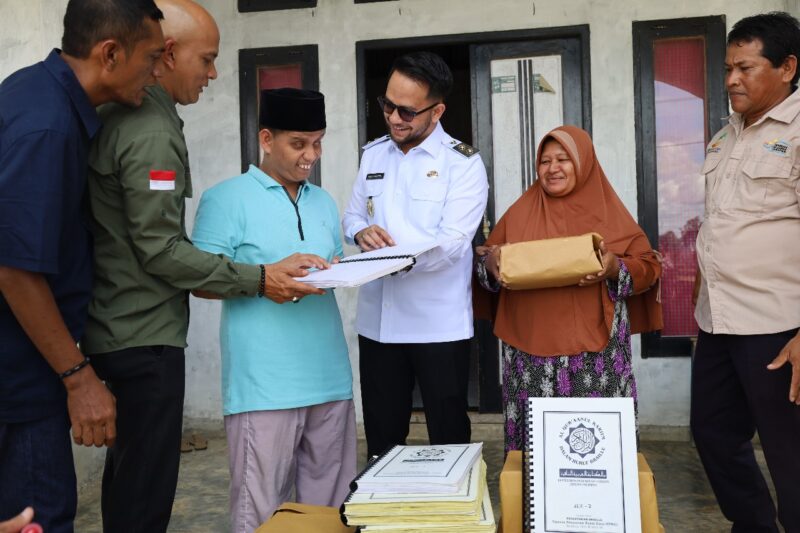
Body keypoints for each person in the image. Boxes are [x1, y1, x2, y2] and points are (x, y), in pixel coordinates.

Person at [83, 2, 326, 531]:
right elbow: (161, 249)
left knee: (134, 485)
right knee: (143, 494)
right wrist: (261, 278)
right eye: (208, 59)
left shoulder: (149, 118)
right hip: (140, 334)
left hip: (130, 326)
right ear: (168, 54)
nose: (214, 74)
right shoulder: (150, 129)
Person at [0, 1, 165, 530]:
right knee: (38, 518)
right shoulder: (46, 126)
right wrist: (78, 378)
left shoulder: (31, 92)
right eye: (152, 58)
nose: (157, 72)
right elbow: (14, 268)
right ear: (110, 53)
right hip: (19, 386)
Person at [192, 87, 355, 533]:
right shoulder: (226, 198)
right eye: (298, 143)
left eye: (318, 143)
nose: (311, 156)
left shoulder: (322, 202)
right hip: (263, 386)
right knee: (261, 514)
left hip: (330, 379)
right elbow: (202, 281)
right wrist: (267, 276)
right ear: (266, 138)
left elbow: (333, 267)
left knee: (331, 512)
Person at [475, 125, 662, 453]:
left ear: (584, 163)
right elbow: (486, 271)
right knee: (538, 454)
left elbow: (648, 267)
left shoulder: (611, 215)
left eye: (563, 159)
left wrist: (615, 267)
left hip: (595, 359)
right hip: (530, 359)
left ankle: (597, 506)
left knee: (595, 449)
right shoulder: (520, 214)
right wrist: (490, 265)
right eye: (544, 161)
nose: (552, 168)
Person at [342, 51, 489, 458]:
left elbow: (454, 242)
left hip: (437, 326)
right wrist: (360, 231)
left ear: (437, 110)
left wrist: (395, 261)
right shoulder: (373, 154)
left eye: (406, 110)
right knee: (382, 438)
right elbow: (353, 214)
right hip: (379, 324)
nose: (393, 118)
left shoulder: (463, 163)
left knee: (448, 437)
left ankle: (448, 519)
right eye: (387, 105)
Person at [691, 12, 800, 532]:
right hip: (717, 322)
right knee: (712, 433)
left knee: (790, 452)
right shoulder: (724, 136)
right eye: (728, 67)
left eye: (745, 67)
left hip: (779, 326)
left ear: (787, 68)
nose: (731, 78)